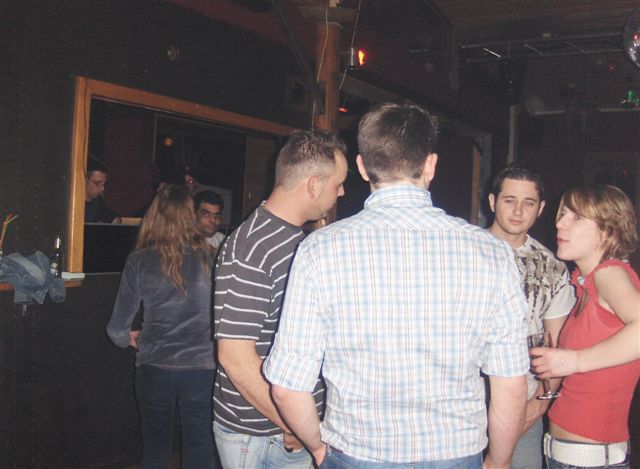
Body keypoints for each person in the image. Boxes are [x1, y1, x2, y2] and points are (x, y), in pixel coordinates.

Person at [263, 102, 529, 469]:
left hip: (356, 455)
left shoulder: (319, 251)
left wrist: (319, 449)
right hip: (455, 455)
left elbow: (287, 387)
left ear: (361, 167)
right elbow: (511, 384)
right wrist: (499, 461)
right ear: (430, 165)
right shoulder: (493, 253)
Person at [213, 128, 348, 469]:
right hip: (259, 433)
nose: (341, 192)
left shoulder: (295, 239)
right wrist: (295, 424)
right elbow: (235, 357)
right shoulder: (253, 247)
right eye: (338, 184)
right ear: (313, 185)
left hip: (286, 428)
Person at [106, 185, 218, 469]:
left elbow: (116, 330)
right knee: (200, 449)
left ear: (154, 216)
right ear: (190, 217)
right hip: (201, 369)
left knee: (155, 451)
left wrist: (129, 338)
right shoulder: (211, 257)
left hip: (154, 367)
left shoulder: (140, 259)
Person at [531, 184, 640, 469]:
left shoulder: (610, 273)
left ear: (607, 231)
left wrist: (576, 360)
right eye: (562, 214)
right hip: (566, 454)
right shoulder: (585, 283)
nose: (560, 223)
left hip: (590, 460)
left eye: (576, 217)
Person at [487, 164, 576, 469]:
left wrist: (536, 408)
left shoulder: (553, 269)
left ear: (540, 209)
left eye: (528, 203)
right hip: (462, 412)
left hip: (523, 411)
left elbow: (558, 348)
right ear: (492, 202)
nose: (517, 211)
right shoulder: (464, 253)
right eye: (509, 200)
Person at [84, 159, 121, 223]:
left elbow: (114, 218)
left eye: (104, 184)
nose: (103, 189)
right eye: (98, 183)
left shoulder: (98, 201)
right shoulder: (73, 202)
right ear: (85, 180)